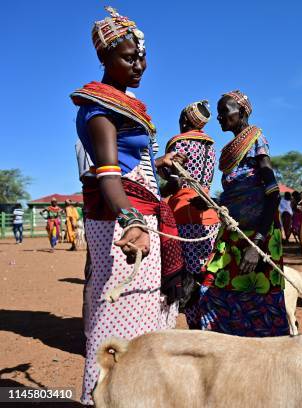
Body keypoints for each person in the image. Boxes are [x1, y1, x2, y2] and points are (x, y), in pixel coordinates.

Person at [70, 7, 185, 404]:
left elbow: (135, 165)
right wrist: (132, 220)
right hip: (121, 220)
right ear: (104, 58)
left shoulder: (124, 103)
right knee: (116, 311)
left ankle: (135, 395)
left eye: (141, 56)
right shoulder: (100, 109)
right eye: (128, 57)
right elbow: (108, 175)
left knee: (145, 309)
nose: (140, 64)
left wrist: (161, 168)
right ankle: (99, 397)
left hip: (139, 215)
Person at [199, 90, 289, 337]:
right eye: (218, 113)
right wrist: (211, 202)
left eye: (223, 111)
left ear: (243, 112)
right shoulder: (231, 153)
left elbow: (273, 196)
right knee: (210, 296)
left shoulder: (257, 141)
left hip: (257, 239)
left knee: (260, 309)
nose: (218, 117)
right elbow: (239, 195)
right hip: (232, 238)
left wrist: (256, 246)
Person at [163, 100, 221, 329]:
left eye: (180, 120)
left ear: (186, 120)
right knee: (207, 272)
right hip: (209, 212)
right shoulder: (211, 147)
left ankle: (195, 326)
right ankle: (211, 324)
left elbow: (174, 180)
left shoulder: (179, 143)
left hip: (184, 212)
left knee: (187, 274)